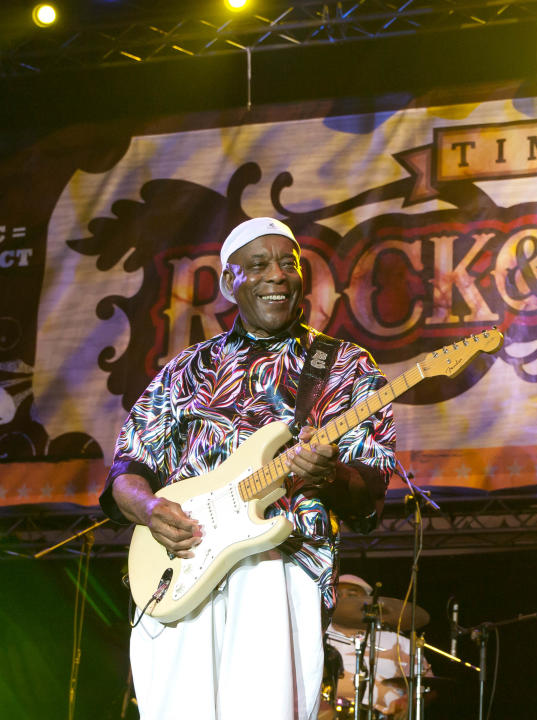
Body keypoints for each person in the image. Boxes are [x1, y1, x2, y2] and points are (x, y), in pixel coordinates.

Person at [99, 217, 397, 720]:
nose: (277, 275)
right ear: (228, 282)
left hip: (278, 568)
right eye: (258, 265)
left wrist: (327, 475)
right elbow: (127, 471)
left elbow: (369, 495)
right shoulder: (186, 369)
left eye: (289, 263)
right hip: (181, 568)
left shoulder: (346, 366)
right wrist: (150, 509)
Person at [323, 574, 432, 719]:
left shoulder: (399, 642)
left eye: (352, 595)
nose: (345, 599)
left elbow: (429, 686)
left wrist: (406, 702)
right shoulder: (316, 638)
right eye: (338, 594)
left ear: (368, 601)